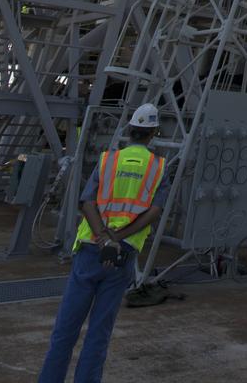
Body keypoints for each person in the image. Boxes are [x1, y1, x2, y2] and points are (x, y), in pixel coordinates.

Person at [38, 104, 169, 382]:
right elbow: (154, 211)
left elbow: (87, 202)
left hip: (89, 250)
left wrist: (101, 237)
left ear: (130, 131)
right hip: (121, 256)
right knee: (99, 334)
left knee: (64, 331)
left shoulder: (108, 160)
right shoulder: (158, 168)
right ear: (153, 134)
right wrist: (117, 239)